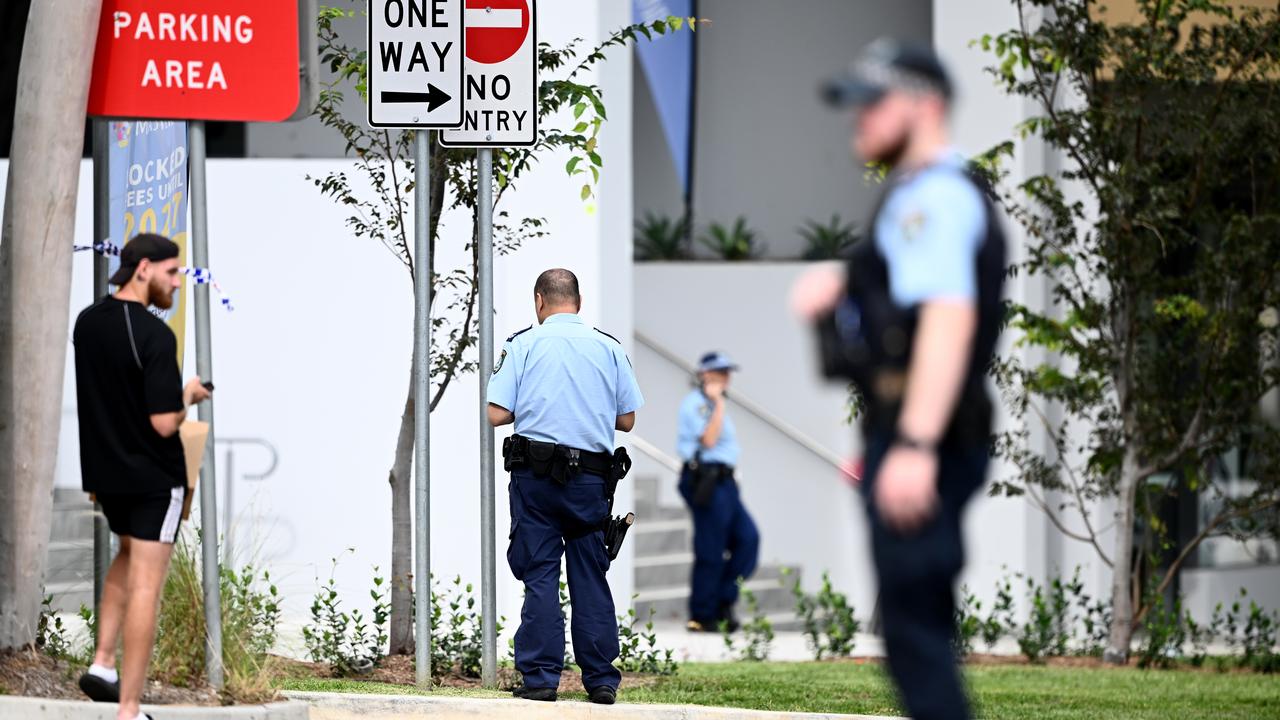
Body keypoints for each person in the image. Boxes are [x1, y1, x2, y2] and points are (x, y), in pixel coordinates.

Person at [792, 39, 1007, 720]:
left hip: (927, 438)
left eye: (874, 102)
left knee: (914, 637)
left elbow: (948, 320)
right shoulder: (925, 196)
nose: (859, 119)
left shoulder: (932, 200)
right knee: (920, 631)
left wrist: (915, 444)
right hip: (926, 432)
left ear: (925, 105)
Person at [487, 268, 644, 705]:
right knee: (590, 576)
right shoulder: (608, 347)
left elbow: (496, 413)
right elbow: (627, 420)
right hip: (590, 483)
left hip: (535, 481)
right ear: (578, 301)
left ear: (540, 300)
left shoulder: (523, 344)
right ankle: (601, 682)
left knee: (540, 574)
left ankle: (540, 680)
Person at [73, 233, 212, 720]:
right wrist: (189, 396)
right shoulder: (155, 335)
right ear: (145, 269)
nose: (178, 283)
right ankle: (129, 710)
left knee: (125, 554)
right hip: (154, 479)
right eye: (173, 273)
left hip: (107, 476)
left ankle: (103, 663)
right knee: (147, 586)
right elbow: (161, 421)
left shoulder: (87, 323)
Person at [676, 352, 759, 633]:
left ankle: (722, 600)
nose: (726, 378)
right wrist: (718, 403)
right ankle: (702, 614)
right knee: (710, 548)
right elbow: (709, 440)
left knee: (748, 539)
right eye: (720, 372)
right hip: (706, 480)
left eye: (727, 372)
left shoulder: (712, 405)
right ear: (704, 375)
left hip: (725, 482)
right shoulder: (698, 405)